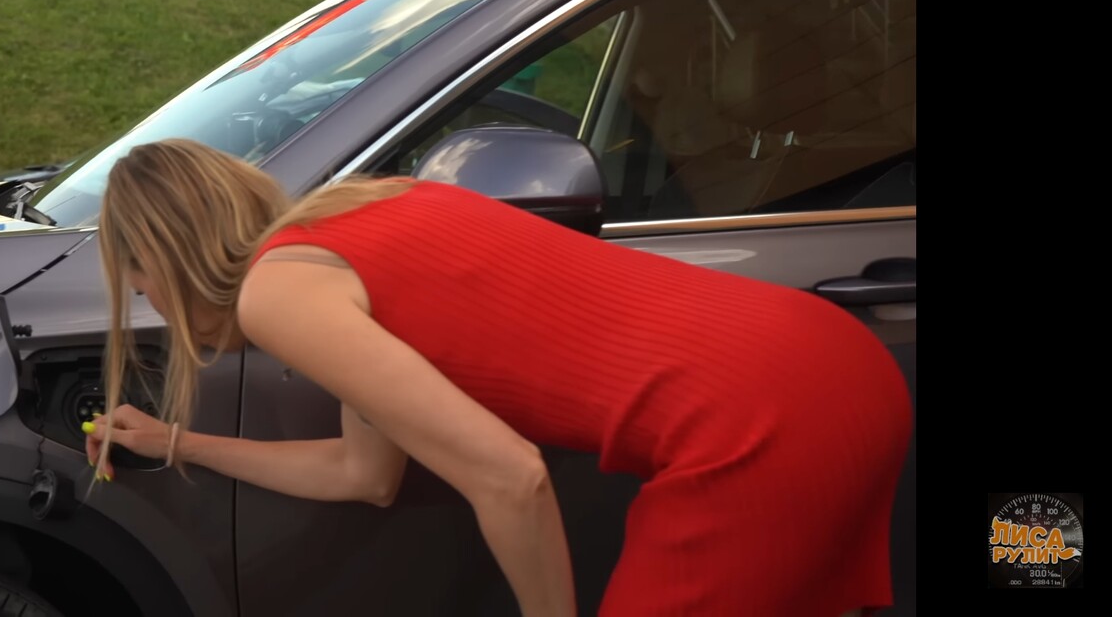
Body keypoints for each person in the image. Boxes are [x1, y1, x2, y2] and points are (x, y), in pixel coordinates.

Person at [82, 138, 912, 617]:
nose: (157, 310)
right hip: (835, 361)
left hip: (756, 420)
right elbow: (364, 473)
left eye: (142, 287)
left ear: (162, 255)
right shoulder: (359, 214)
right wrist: (178, 441)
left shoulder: (280, 293)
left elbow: (512, 478)